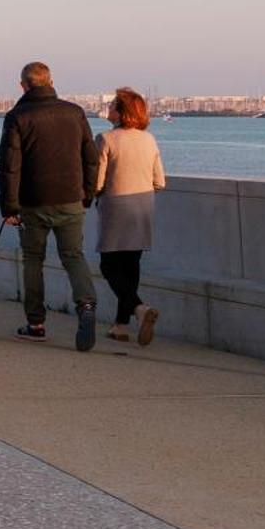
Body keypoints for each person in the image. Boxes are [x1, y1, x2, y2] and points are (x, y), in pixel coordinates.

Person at [0, 61, 102, 350]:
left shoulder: (16, 117)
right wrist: (87, 194)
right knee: (73, 255)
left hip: (33, 202)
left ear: (23, 85)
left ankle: (36, 324)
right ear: (51, 81)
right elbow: (91, 158)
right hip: (71, 198)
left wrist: (9, 207)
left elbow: (10, 167)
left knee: (33, 260)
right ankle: (87, 306)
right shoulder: (74, 112)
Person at [95, 87, 166, 345]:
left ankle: (139, 309)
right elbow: (160, 180)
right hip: (143, 205)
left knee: (108, 265)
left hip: (116, 207)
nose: (109, 108)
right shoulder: (149, 139)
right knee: (131, 265)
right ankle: (121, 326)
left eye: (113, 104)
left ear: (121, 111)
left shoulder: (105, 139)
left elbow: (97, 182)